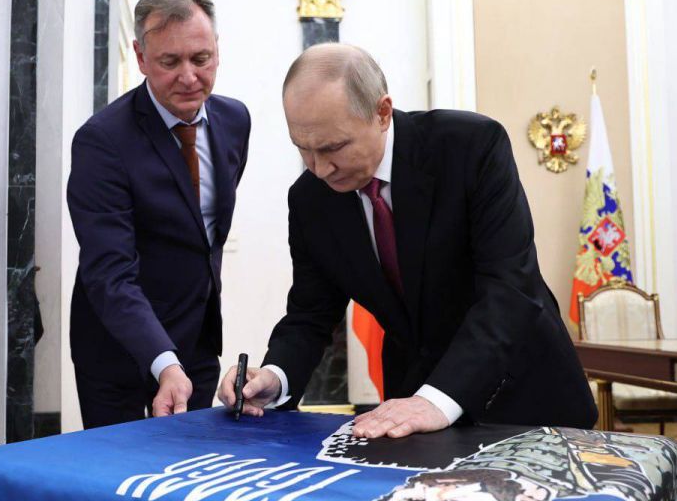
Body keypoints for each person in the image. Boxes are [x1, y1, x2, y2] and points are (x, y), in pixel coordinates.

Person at [217, 43, 595, 437]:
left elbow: (510, 290)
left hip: (525, 395)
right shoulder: (311, 199)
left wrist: (437, 400)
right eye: (304, 150)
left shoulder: (470, 147)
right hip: (413, 405)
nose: (321, 168)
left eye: (333, 148)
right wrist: (275, 376)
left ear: (382, 113)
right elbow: (311, 313)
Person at [68, 0, 250, 428]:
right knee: (119, 467)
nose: (189, 77)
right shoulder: (102, 141)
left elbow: (202, 234)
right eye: (170, 62)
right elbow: (109, 270)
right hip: (116, 348)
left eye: (201, 59)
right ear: (141, 56)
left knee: (191, 463)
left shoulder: (234, 121)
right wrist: (163, 361)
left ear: (217, 48)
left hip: (197, 341)